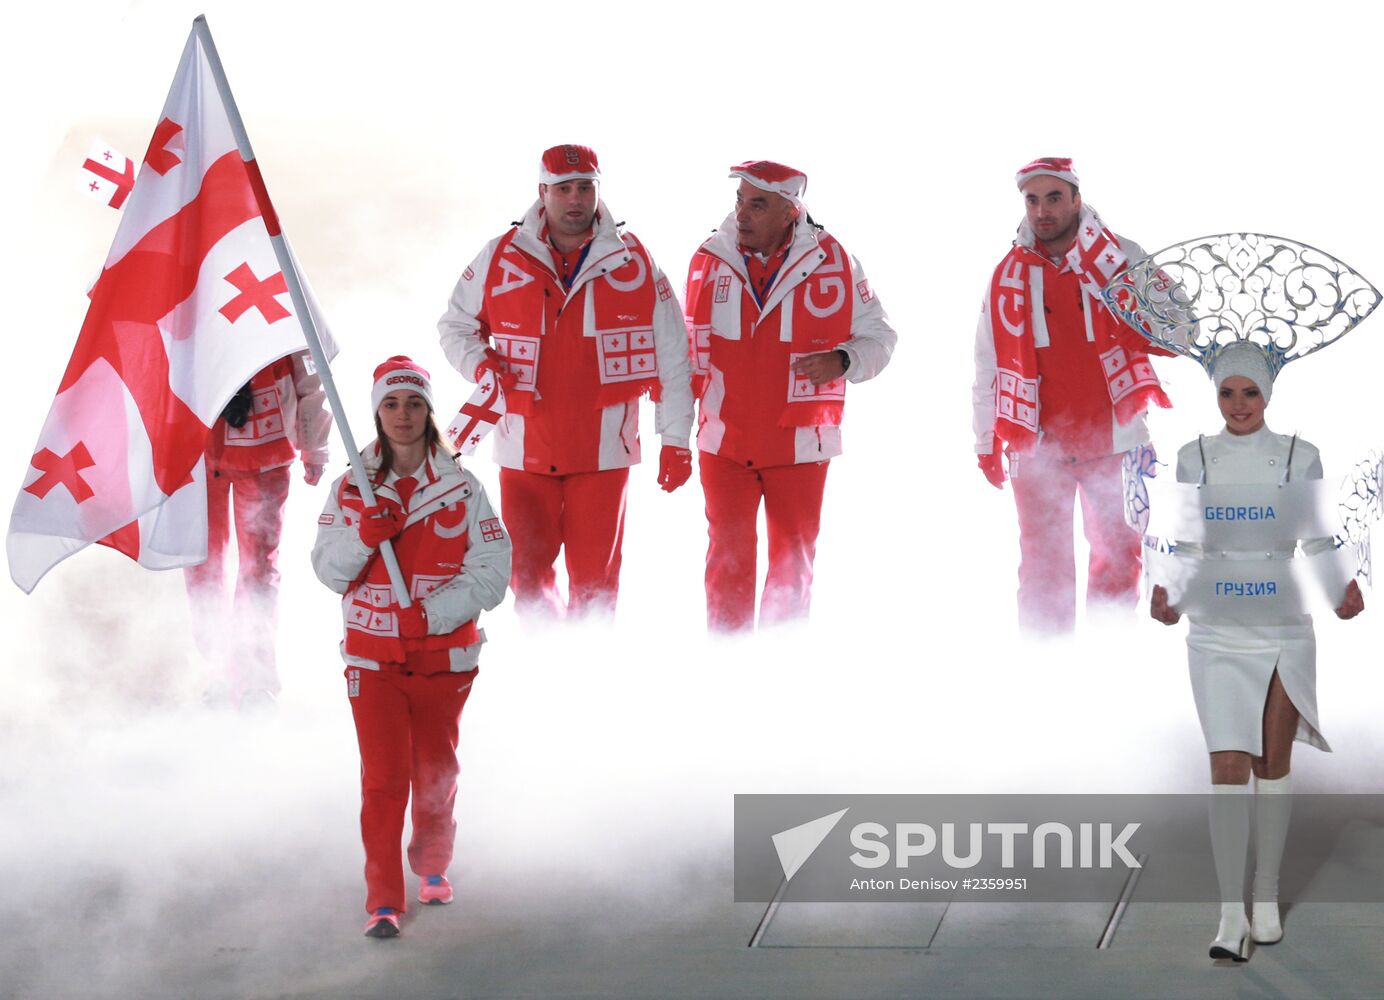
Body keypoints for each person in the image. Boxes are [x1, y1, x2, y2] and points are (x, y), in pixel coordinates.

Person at [1149, 341, 1365, 961]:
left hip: (1281, 622)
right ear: (1214, 395)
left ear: (1268, 396)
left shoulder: (1302, 456)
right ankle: (1228, 917)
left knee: (1271, 763)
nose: (1238, 405)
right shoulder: (1195, 457)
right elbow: (1187, 543)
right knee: (1226, 764)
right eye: (1226, 393)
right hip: (1217, 626)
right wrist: (1168, 596)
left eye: (1249, 393)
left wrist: (1340, 587)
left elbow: (1318, 536)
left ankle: (1264, 903)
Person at [437, 144, 693, 621]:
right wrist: (480, 365)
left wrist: (676, 439)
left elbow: (674, 356)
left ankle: (587, 680)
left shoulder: (634, 260)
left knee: (596, 584)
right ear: (542, 192)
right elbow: (455, 326)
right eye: (563, 189)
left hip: (603, 452)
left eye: (585, 188)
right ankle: (547, 666)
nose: (575, 199)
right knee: (526, 577)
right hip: (523, 449)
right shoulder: (501, 255)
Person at [311, 356, 511, 939]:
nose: (403, 415)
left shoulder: (462, 485)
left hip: (444, 658)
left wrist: (429, 615)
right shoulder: (351, 487)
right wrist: (362, 538)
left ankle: (432, 864)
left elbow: (492, 573)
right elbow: (327, 570)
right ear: (376, 412)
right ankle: (382, 900)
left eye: (415, 403)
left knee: (435, 771)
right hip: (371, 660)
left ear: (429, 412)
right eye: (392, 404)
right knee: (382, 779)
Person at [683, 160, 896, 632]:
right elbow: (685, 352)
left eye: (757, 205)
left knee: (792, 566)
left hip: (801, 444)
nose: (742, 214)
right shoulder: (709, 257)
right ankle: (728, 664)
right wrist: (674, 434)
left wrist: (843, 361)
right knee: (727, 561)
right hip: (724, 442)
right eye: (739, 201)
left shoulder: (835, 260)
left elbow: (880, 338)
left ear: (790, 212)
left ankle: (780, 670)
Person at [973, 157, 1172, 634]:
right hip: (1037, 446)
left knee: (1119, 562)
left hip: (1116, 440)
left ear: (1076, 199)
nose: (1042, 210)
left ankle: (1108, 672)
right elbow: (987, 362)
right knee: (1043, 571)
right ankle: (1047, 682)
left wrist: (1144, 328)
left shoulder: (1120, 256)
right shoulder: (1007, 274)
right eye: (1032, 199)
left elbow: (1179, 326)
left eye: (1054, 198)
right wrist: (985, 441)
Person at [184, 352, 331, 708]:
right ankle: (217, 671)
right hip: (198, 448)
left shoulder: (283, 300)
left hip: (267, 449)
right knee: (202, 563)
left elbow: (310, 377)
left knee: (259, 567)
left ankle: (256, 678)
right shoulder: (190, 297)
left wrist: (315, 446)